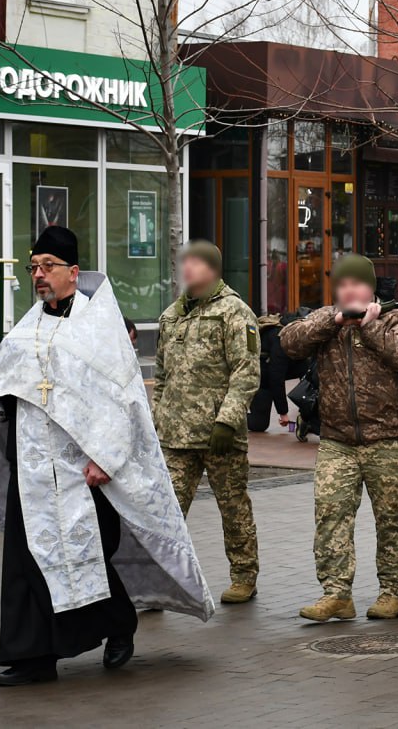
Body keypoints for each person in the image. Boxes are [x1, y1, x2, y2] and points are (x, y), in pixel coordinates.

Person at [0, 226, 212, 686]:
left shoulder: (100, 329)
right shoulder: (26, 330)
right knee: (28, 563)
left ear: (73, 272)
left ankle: (119, 623)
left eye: (48, 266)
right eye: (34, 267)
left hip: (83, 471)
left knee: (87, 557)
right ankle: (33, 658)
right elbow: (9, 392)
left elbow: (123, 401)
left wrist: (106, 459)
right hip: (33, 472)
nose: (39, 275)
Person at [281, 254, 398, 622]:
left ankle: (392, 593)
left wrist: (370, 327)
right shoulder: (327, 319)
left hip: (390, 439)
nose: (349, 291)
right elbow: (289, 342)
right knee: (331, 513)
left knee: (392, 519)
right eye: (343, 285)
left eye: (357, 284)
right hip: (338, 439)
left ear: (371, 288)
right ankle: (336, 594)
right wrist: (332, 322)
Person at [155, 241, 262, 605]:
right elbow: (162, 377)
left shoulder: (235, 312)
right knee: (166, 513)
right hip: (176, 437)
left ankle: (244, 575)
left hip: (220, 437)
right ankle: (159, 580)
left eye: (196, 263)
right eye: (185, 263)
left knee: (233, 508)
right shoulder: (170, 316)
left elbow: (246, 372)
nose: (188, 269)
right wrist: (158, 420)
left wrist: (227, 421)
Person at [247, 312, 301, 433]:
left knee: (306, 367)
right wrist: (283, 412)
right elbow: (276, 377)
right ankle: (222, 417)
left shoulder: (303, 341)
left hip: (273, 370)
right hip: (261, 377)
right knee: (259, 424)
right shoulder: (281, 339)